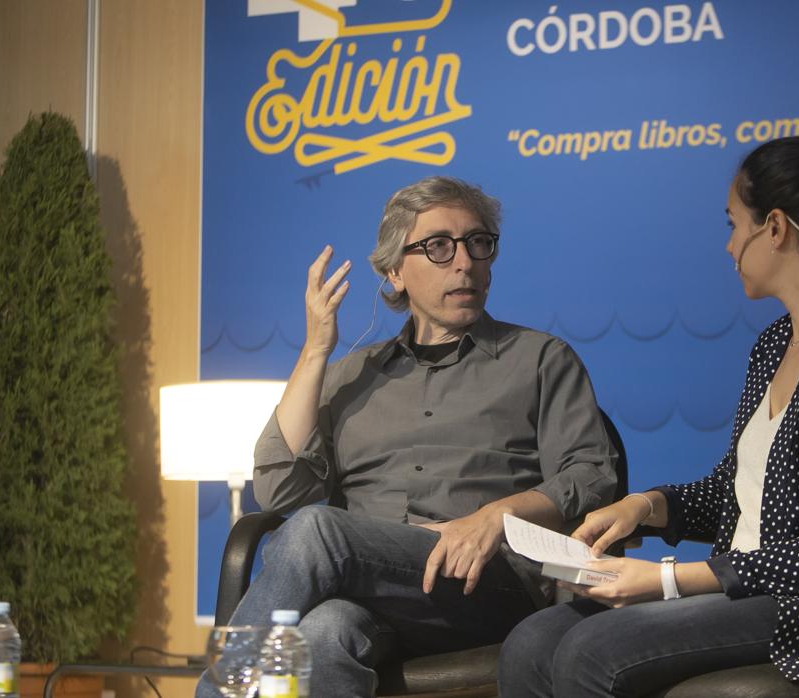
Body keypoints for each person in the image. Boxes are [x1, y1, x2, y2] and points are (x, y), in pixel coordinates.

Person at [498, 137, 799, 696]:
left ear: (775, 228)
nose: (729, 245)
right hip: (755, 585)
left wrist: (666, 580)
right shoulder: (774, 345)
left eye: (734, 224)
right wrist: (643, 507)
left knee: (594, 652)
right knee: (530, 642)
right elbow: (738, 493)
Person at [196, 176, 618, 698]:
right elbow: (280, 494)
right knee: (325, 632)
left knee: (317, 533)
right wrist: (315, 352)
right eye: (439, 247)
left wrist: (496, 517)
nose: (464, 262)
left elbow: (593, 474)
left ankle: (216, 691)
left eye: (478, 244)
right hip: (373, 593)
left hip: (485, 584)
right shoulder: (351, 374)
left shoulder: (540, 360)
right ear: (395, 271)